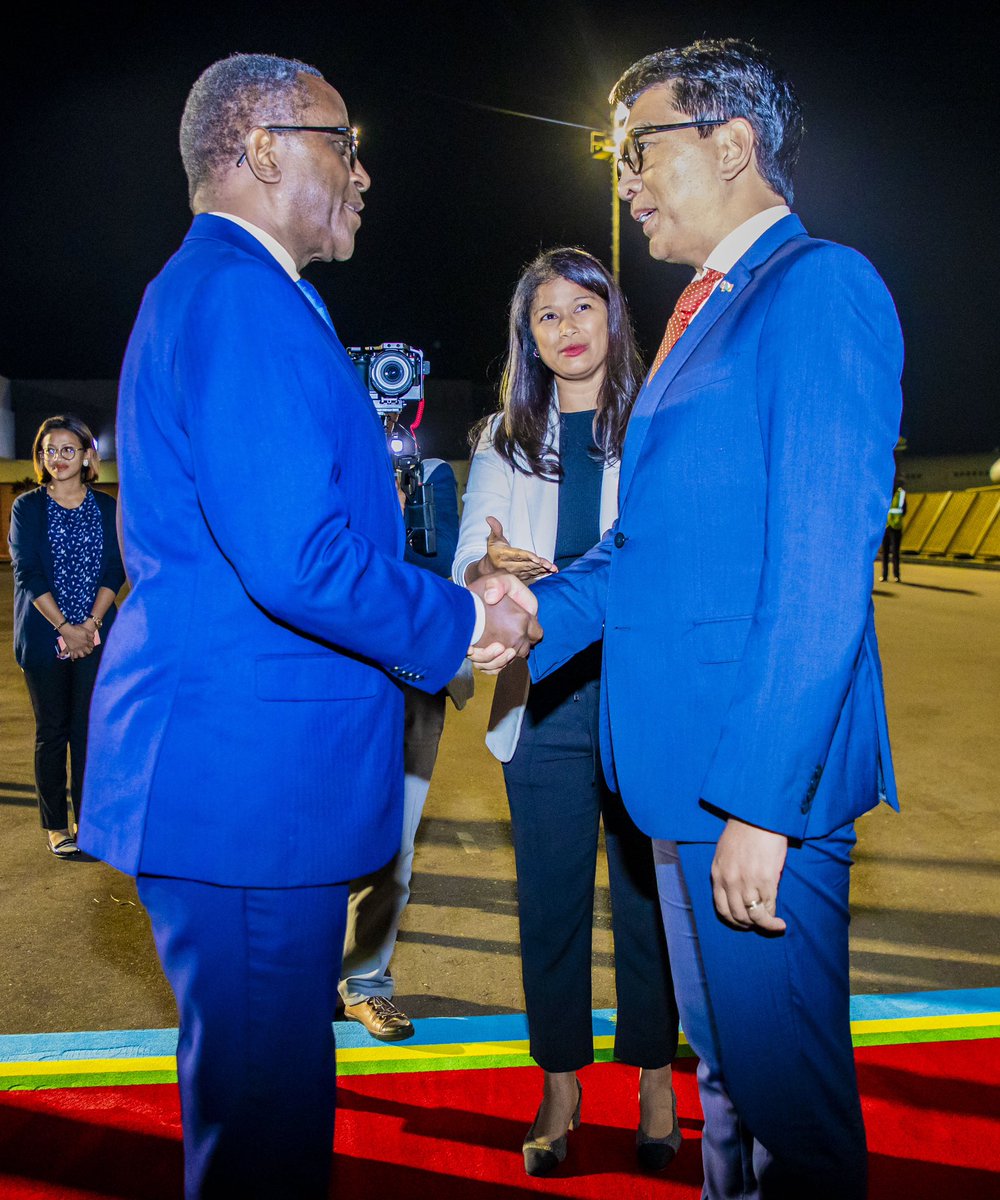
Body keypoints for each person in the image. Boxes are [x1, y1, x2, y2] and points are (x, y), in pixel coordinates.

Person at [79, 52, 538, 1200]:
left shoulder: (240, 291)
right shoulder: (240, 294)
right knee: (265, 1137)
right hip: (244, 792)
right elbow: (296, 557)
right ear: (265, 147)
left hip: (245, 783)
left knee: (259, 1106)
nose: (365, 173)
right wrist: (456, 618)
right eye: (345, 142)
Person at [527, 40, 903, 1200]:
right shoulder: (704, 312)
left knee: (794, 1116)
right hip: (684, 782)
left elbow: (820, 571)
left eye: (638, 149)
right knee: (731, 1083)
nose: (625, 178)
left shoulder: (817, 288)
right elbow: (653, 554)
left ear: (730, 146)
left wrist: (759, 801)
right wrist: (505, 613)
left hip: (747, 791)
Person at [453, 247, 680, 1176]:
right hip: (541, 696)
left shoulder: (661, 422)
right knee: (549, 901)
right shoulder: (503, 439)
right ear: (529, 338)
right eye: (547, 316)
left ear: (613, 316)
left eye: (584, 306)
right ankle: (559, 1080)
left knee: (646, 903)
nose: (568, 327)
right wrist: (486, 568)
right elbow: (473, 546)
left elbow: (663, 551)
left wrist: (573, 585)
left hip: (641, 691)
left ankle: (658, 1076)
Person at [340, 456, 474, 1040]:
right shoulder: (321, 461)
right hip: (331, 686)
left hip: (412, 685)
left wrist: (395, 517)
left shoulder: (430, 473)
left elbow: (441, 569)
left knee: (392, 847)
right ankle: (300, 983)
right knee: (310, 839)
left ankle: (365, 983)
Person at [8, 415, 124, 858]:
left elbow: (116, 568)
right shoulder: (27, 508)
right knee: (53, 732)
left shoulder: (108, 507)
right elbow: (27, 573)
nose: (57, 458)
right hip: (44, 638)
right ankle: (56, 824)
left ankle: (89, 821)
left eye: (67, 450)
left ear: (88, 456)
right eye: (48, 451)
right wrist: (64, 628)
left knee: (89, 731)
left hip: (96, 637)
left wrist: (90, 625)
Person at [880, 475, 906, 582]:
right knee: (886, 552)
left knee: (893, 552)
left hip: (894, 526)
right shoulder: (885, 494)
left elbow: (904, 510)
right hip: (887, 526)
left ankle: (894, 575)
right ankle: (887, 575)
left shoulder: (900, 495)